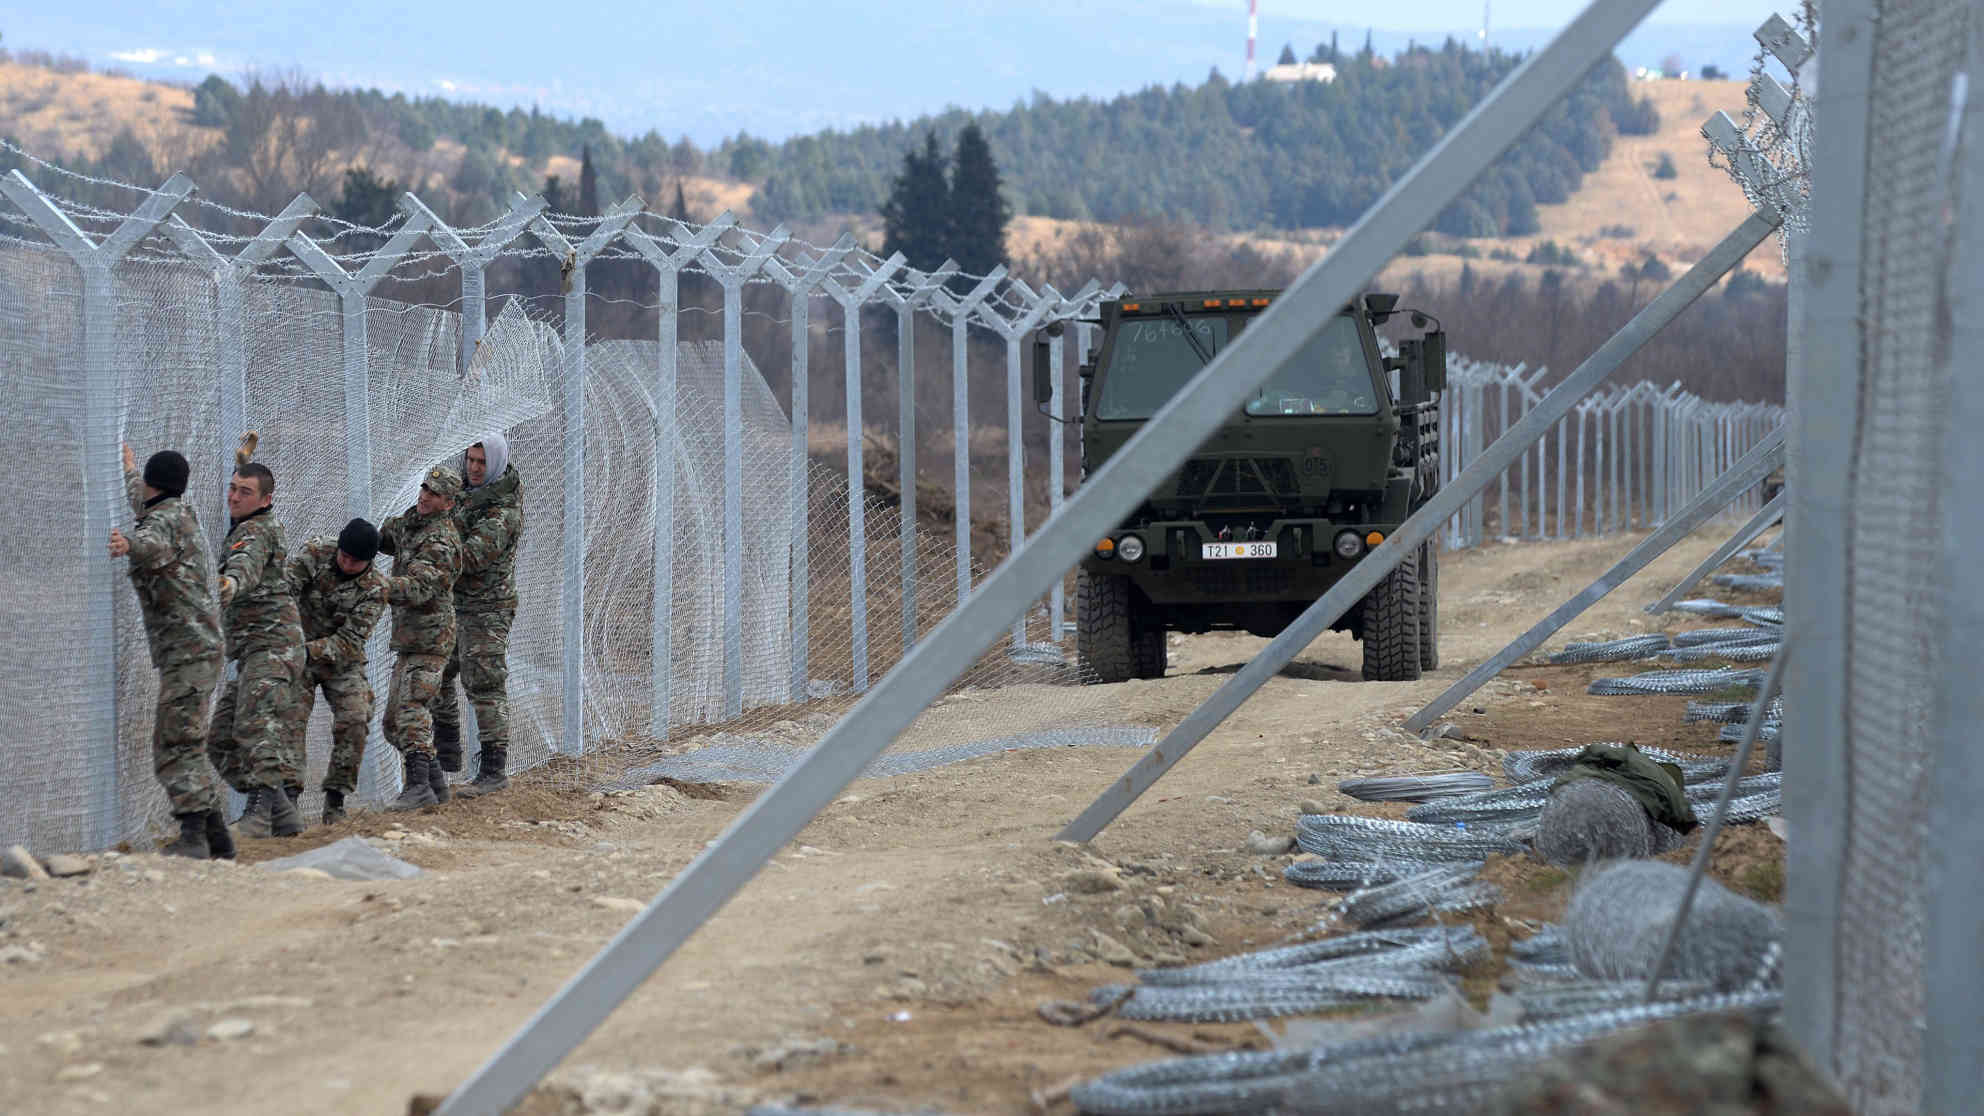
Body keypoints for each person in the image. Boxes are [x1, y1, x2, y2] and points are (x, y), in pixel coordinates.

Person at [107, 446, 234, 860]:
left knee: (174, 744)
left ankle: (193, 835)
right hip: (197, 650)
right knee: (187, 742)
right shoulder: (176, 510)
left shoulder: (163, 522)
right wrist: (129, 468)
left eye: (142, 479)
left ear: (153, 484)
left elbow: (151, 543)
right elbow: (142, 504)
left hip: (188, 652)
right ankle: (216, 837)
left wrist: (127, 544)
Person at [209, 460, 307, 838]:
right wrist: (241, 461)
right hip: (255, 651)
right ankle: (281, 810)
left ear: (266, 499)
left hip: (273, 647)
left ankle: (260, 813)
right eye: (232, 488)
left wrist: (230, 585)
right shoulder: (254, 522)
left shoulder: (254, 533)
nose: (233, 496)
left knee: (255, 728)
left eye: (244, 492)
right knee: (220, 740)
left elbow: (244, 566)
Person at [282, 519, 388, 825]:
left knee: (356, 715)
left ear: (369, 562)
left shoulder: (376, 589)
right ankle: (287, 799)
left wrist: (308, 650)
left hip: (341, 659)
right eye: (343, 555)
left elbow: (349, 641)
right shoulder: (316, 552)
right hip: (297, 649)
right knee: (291, 716)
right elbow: (285, 590)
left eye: (356, 561)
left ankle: (336, 800)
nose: (346, 562)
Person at [434, 434, 523, 797]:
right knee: (436, 670)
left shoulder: (501, 511)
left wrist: (431, 546)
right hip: (458, 604)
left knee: (484, 686)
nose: (473, 467)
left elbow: (470, 558)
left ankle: (493, 769)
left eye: (481, 463)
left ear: (496, 465)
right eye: (470, 459)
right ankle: (447, 750)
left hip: (488, 609)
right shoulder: (465, 496)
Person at [377, 465, 464, 811]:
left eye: (435, 494)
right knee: (392, 724)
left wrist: (376, 587)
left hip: (431, 640)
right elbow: (388, 538)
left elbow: (419, 587)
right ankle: (434, 784)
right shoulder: (413, 522)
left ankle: (417, 787)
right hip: (409, 640)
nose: (426, 496)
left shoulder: (442, 541)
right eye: (425, 489)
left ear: (448, 503)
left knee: (413, 710)